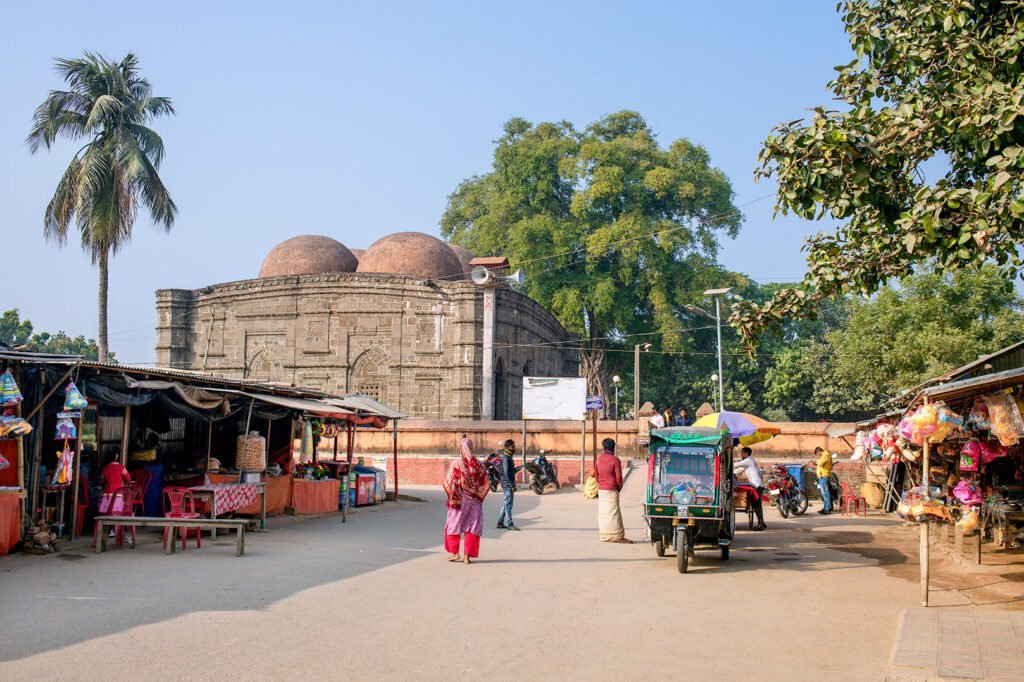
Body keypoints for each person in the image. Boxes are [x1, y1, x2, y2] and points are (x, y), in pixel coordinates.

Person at [443, 437, 490, 564]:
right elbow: (486, 483)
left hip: (459, 500)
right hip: (475, 501)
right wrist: (476, 493)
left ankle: (454, 553)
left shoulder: (456, 463)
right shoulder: (479, 465)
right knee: (472, 526)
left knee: (454, 524)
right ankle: (467, 556)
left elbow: (448, 481)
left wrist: (452, 495)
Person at [595, 438, 632, 543]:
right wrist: (618, 488)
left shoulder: (599, 459)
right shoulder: (615, 460)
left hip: (601, 490)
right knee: (614, 513)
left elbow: (597, 475)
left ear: (603, 447)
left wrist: (602, 484)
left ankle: (605, 536)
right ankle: (617, 537)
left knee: (604, 514)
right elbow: (619, 477)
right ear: (613, 448)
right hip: (612, 489)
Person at [733, 446, 767, 530]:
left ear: (746, 453)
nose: (741, 454)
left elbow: (736, 465)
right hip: (756, 485)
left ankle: (761, 524)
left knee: (756, 505)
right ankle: (762, 523)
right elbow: (739, 469)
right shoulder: (747, 463)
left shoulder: (748, 461)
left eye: (742, 452)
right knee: (756, 505)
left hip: (757, 486)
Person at [495, 439, 521, 531]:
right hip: (507, 484)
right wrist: (512, 485)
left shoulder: (509, 457)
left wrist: (521, 467)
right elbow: (506, 473)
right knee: (509, 505)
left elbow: (511, 471)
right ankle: (510, 524)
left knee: (506, 503)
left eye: (514, 446)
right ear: (507, 447)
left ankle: (500, 522)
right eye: (512, 447)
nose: (514, 448)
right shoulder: (506, 458)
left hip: (508, 484)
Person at [814, 446, 834, 515]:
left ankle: (827, 509)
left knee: (825, 493)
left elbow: (820, 463)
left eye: (817, 454)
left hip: (824, 476)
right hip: (822, 476)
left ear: (819, 452)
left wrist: (817, 461)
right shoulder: (824, 455)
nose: (818, 456)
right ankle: (826, 507)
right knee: (824, 493)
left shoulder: (825, 455)